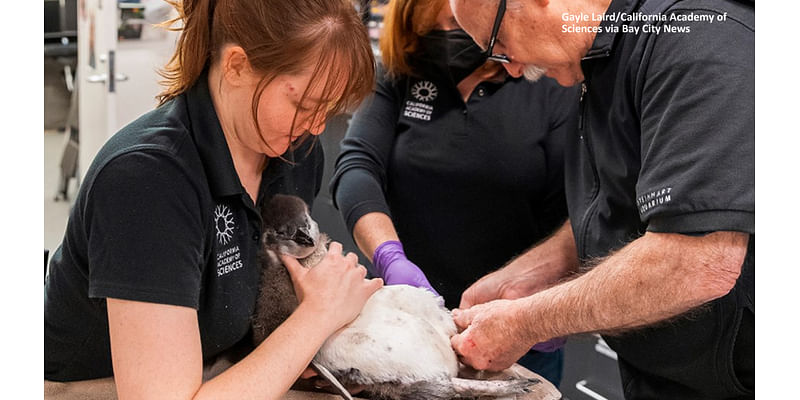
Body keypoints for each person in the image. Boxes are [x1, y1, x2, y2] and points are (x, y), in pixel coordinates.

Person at [44, 0, 384, 398]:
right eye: (304, 105)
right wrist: (318, 315)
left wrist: (305, 340)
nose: (317, 125)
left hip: (216, 361)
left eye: (329, 108)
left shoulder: (295, 150)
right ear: (236, 65)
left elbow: (266, 289)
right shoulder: (146, 180)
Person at [447, 0, 754, 398]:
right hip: (667, 375)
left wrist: (524, 322)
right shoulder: (601, 59)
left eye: (499, 42)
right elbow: (620, 207)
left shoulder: (698, 40)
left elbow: (694, 262)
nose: (513, 68)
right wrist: (525, 276)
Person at [329, 0, 580, 386]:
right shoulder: (401, 76)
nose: (451, 35)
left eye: (458, 23)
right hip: (409, 328)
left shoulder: (549, 84)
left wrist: (548, 296)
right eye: (436, 27)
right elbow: (357, 167)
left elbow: (578, 209)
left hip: (514, 332)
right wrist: (388, 255)